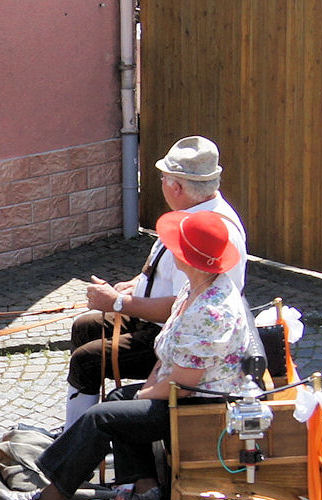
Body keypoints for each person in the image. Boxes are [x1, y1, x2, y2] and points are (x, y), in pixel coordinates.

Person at [0, 209, 262, 500]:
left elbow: (185, 383)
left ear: (189, 258)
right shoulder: (194, 289)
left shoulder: (211, 310)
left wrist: (148, 391)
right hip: (181, 394)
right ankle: (144, 487)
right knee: (117, 399)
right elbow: (167, 356)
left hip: (200, 409)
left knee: (103, 416)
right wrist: (146, 387)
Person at [66, 136, 247, 429]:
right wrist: (134, 284)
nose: (161, 183)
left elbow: (180, 305)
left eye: (163, 178)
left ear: (176, 187)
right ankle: (80, 427)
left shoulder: (211, 230)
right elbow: (167, 271)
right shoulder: (192, 215)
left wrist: (118, 302)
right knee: (84, 326)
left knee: (87, 361)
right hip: (162, 320)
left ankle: (83, 434)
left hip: (178, 334)